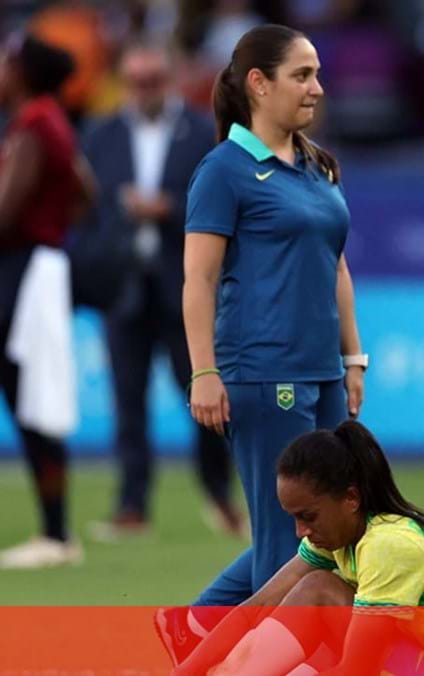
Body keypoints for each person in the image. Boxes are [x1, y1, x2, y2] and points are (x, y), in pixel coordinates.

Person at [155, 23, 367, 662]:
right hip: (260, 373)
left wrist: (352, 357)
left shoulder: (316, 164)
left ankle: (199, 623)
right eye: (302, 75)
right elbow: (198, 278)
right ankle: (283, 659)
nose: (317, 88)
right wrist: (203, 372)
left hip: (322, 371)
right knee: (289, 536)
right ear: (258, 83)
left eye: (317, 74)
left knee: (337, 526)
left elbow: (336, 265)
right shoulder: (223, 171)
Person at [173, 421, 424, 675]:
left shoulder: (389, 545)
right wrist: (185, 672)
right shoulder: (344, 532)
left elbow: (358, 668)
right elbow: (257, 606)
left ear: (351, 498)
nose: (300, 531)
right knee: (314, 600)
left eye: (308, 516)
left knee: (318, 596)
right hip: (423, 664)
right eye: (293, 518)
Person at [80, 40, 243, 541]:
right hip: (125, 285)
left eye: (152, 80)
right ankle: (132, 505)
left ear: (169, 79)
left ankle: (220, 494)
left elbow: (223, 199)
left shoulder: (202, 132)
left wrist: (168, 209)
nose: (143, 89)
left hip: (182, 283)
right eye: (135, 81)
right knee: (127, 402)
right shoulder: (100, 135)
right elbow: (88, 208)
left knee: (202, 395)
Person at [0, 32, 95, 569]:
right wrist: (54, 226)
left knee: (31, 401)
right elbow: (87, 193)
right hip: (35, 269)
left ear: (24, 71)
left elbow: (6, 212)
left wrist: (42, 229)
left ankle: (56, 533)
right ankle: (55, 530)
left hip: (22, 274)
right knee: (29, 399)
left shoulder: (36, 122)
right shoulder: (51, 121)